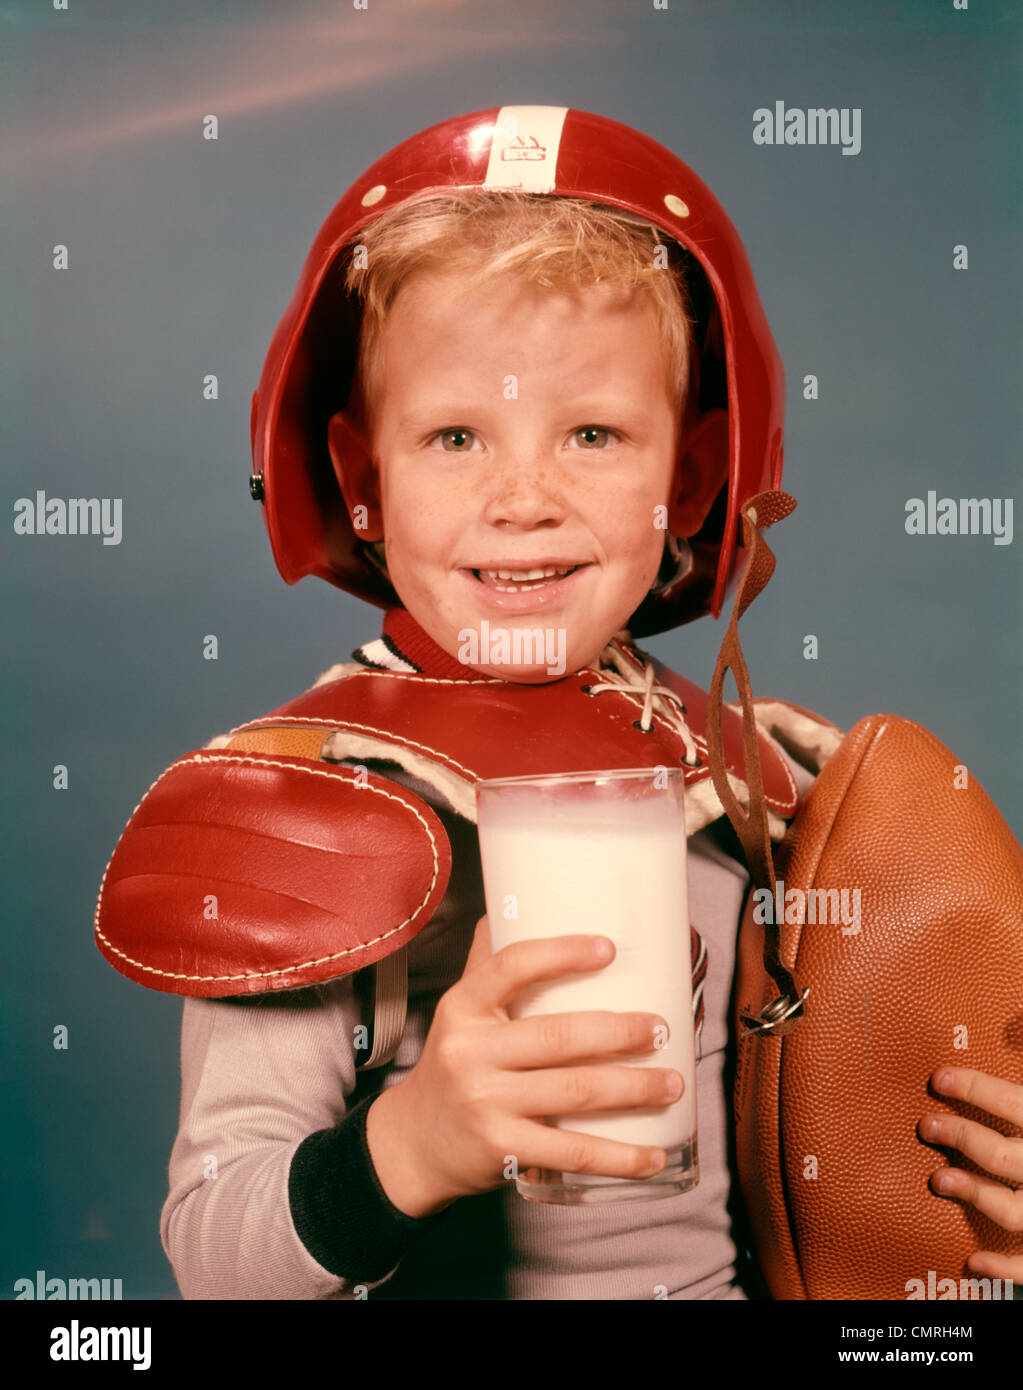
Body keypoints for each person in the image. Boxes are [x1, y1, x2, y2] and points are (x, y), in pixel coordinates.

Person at [95, 106, 1022, 1300]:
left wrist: (978, 1244)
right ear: (360, 479)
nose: (522, 496)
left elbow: (841, 1203)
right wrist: (411, 1146)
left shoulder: (770, 796)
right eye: (453, 436)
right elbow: (217, 1265)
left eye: (591, 432)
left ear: (688, 481)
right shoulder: (300, 802)